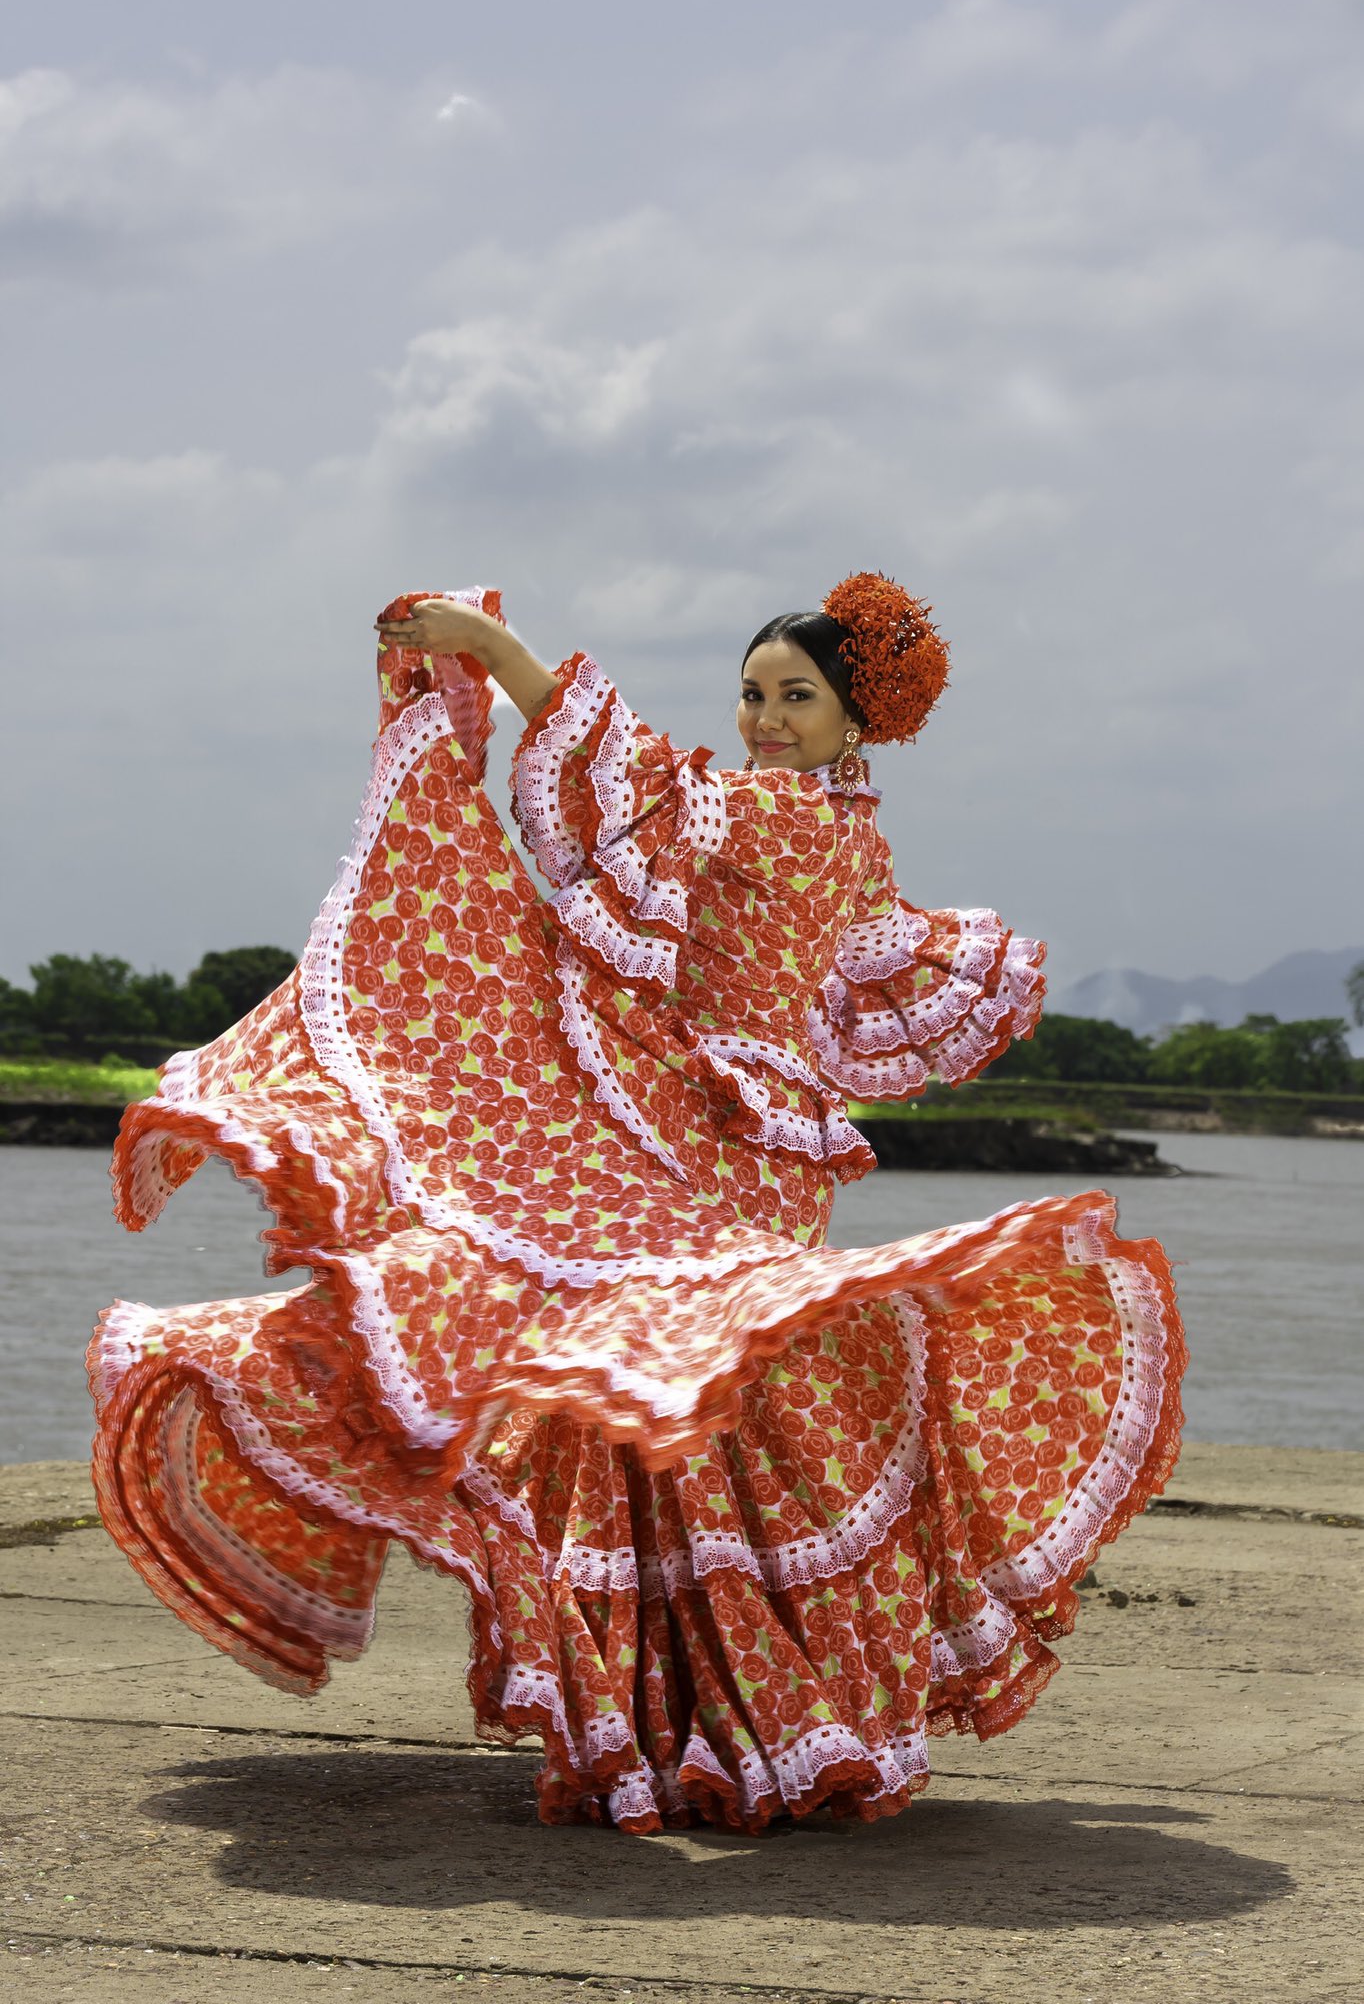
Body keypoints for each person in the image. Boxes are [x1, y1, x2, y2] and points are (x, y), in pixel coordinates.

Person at [88, 572, 1185, 1835]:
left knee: (666, 1424)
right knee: (662, 1428)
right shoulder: (840, 837)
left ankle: (715, 1728)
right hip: (703, 1138)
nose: (765, 716)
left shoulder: (787, 824)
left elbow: (633, 780)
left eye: (796, 697)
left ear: (853, 720)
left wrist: (491, 647)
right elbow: (644, 853)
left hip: (718, 1156)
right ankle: (701, 1730)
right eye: (752, 691)